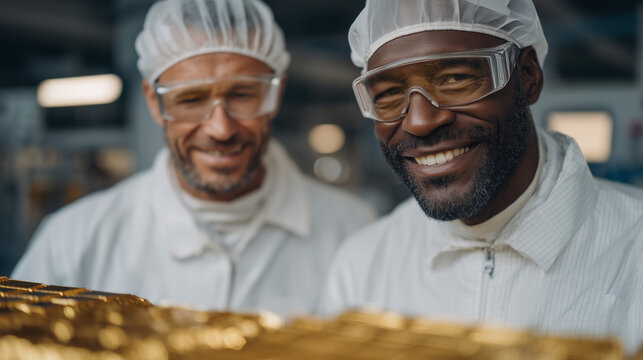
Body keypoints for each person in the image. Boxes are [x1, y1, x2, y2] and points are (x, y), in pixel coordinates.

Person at [12, 0, 375, 317]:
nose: (220, 128)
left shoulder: (354, 233)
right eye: (190, 99)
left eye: (244, 94)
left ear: (275, 92)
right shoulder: (73, 242)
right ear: (154, 102)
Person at [320, 0, 643, 354]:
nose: (420, 121)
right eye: (389, 94)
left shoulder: (632, 249)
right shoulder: (364, 265)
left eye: (456, 79)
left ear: (528, 77)